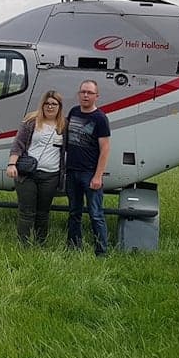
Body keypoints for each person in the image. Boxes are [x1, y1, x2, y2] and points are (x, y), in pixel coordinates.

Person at [7, 90, 65, 245]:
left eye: (54, 104)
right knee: (26, 211)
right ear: (42, 105)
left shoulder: (64, 126)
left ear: (59, 106)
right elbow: (18, 144)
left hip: (51, 176)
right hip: (28, 174)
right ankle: (23, 245)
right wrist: (12, 164)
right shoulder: (31, 121)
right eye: (47, 103)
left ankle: (41, 244)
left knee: (43, 213)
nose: (50, 107)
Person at [65, 79, 111, 256]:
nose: (85, 95)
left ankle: (101, 251)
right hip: (72, 172)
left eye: (89, 93)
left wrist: (98, 176)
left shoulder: (100, 118)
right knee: (74, 212)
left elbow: (105, 148)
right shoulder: (74, 112)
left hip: (90, 173)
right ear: (79, 94)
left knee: (96, 214)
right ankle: (73, 247)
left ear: (96, 96)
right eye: (83, 92)